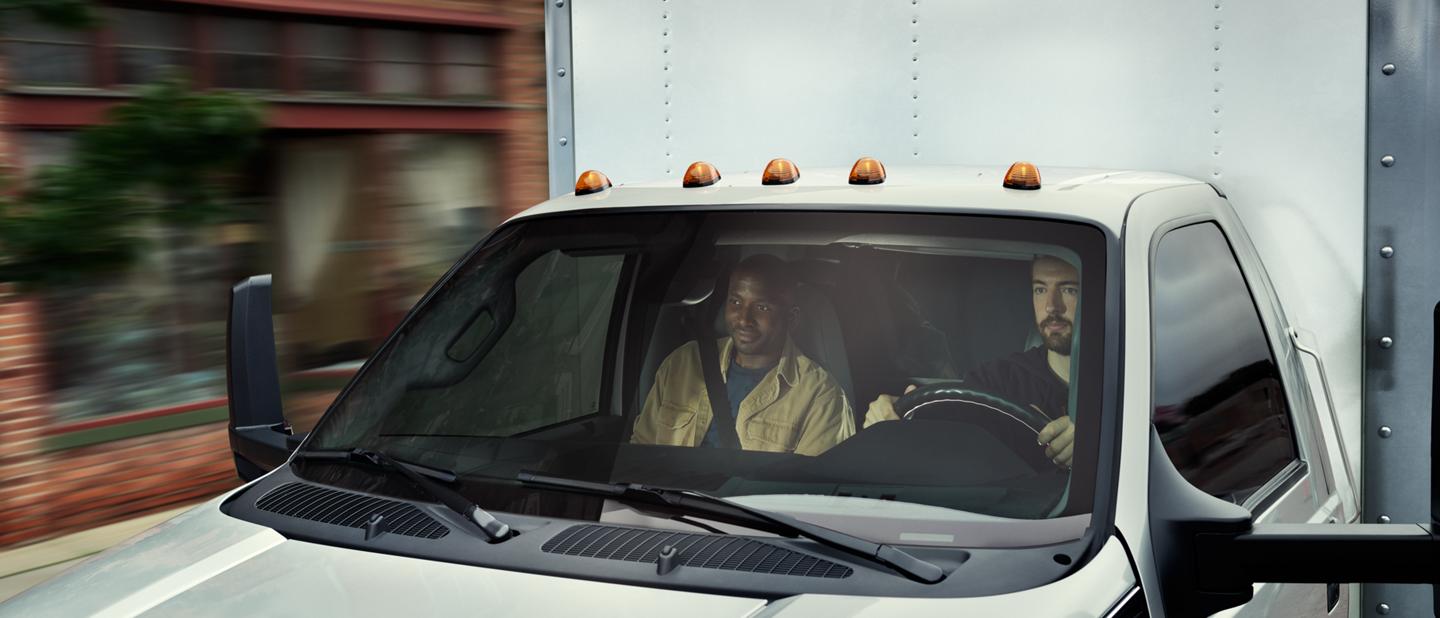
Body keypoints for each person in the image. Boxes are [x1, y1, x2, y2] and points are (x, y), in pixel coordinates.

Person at [864, 255, 1079, 468]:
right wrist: (891, 414)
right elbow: (952, 427)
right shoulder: (1001, 378)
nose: (1051, 306)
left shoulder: (1111, 393)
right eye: (1040, 289)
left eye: (1069, 290)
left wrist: (1095, 444)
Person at [632, 255, 855, 455]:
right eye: (736, 302)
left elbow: (809, 494)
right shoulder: (683, 364)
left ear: (792, 318)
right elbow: (640, 454)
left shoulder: (821, 397)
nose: (743, 319)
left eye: (762, 307)